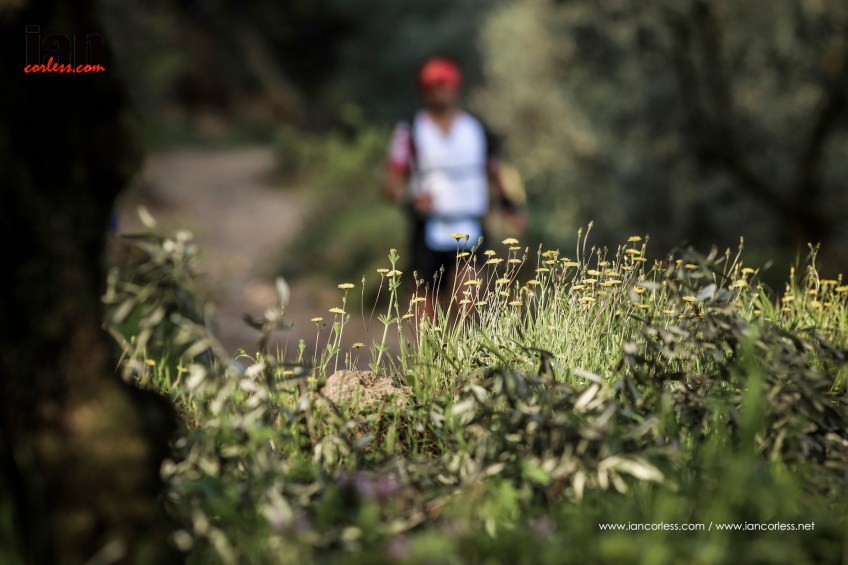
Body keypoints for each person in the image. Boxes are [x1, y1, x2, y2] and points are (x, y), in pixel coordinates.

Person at [383, 56, 527, 306]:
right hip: (427, 228)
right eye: (432, 86)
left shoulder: (477, 129)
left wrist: (511, 207)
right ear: (424, 91)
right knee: (424, 307)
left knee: (469, 303)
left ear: (456, 87)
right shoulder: (410, 130)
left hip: (471, 224)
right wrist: (410, 199)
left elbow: (497, 172)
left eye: (445, 85)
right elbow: (390, 184)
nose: (440, 92)